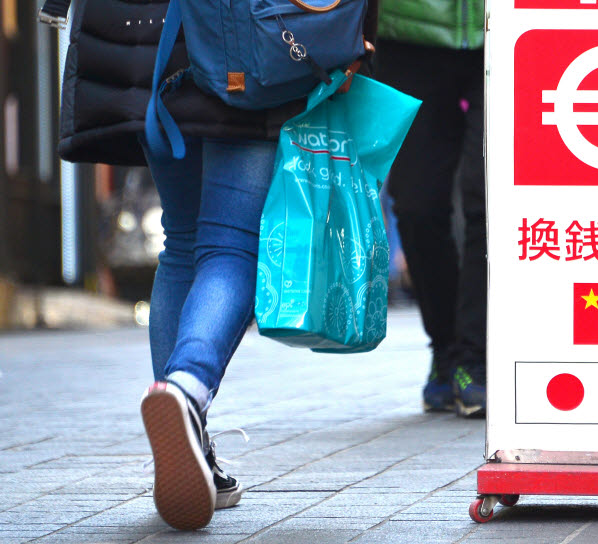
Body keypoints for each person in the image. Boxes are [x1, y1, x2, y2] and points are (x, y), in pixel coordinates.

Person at [50, 0, 377, 529]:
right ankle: (187, 389)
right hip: (248, 38)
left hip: (148, 41)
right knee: (231, 244)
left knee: (181, 243)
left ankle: (186, 438)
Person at [376, 1, 487, 417]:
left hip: (508, 27)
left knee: (491, 198)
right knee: (417, 204)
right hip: (408, 31)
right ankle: (447, 350)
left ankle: (474, 360)